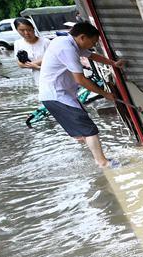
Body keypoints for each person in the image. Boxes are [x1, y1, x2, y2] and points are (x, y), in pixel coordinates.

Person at [38, 21, 125, 168]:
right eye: (93, 41)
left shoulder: (67, 41)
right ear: (83, 37)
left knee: (82, 132)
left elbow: (92, 56)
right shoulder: (67, 49)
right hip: (57, 95)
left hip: (61, 95)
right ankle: (102, 162)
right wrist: (105, 94)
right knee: (89, 129)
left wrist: (113, 63)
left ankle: (96, 158)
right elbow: (80, 80)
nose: (93, 45)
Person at [13, 18, 50, 87]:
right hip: (37, 77)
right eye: (22, 30)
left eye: (29, 30)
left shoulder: (46, 42)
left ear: (33, 28)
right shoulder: (18, 43)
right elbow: (19, 63)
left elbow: (51, 59)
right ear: (17, 30)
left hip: (50, 75)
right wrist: (34, 65)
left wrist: (34, 65)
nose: (26, 33)